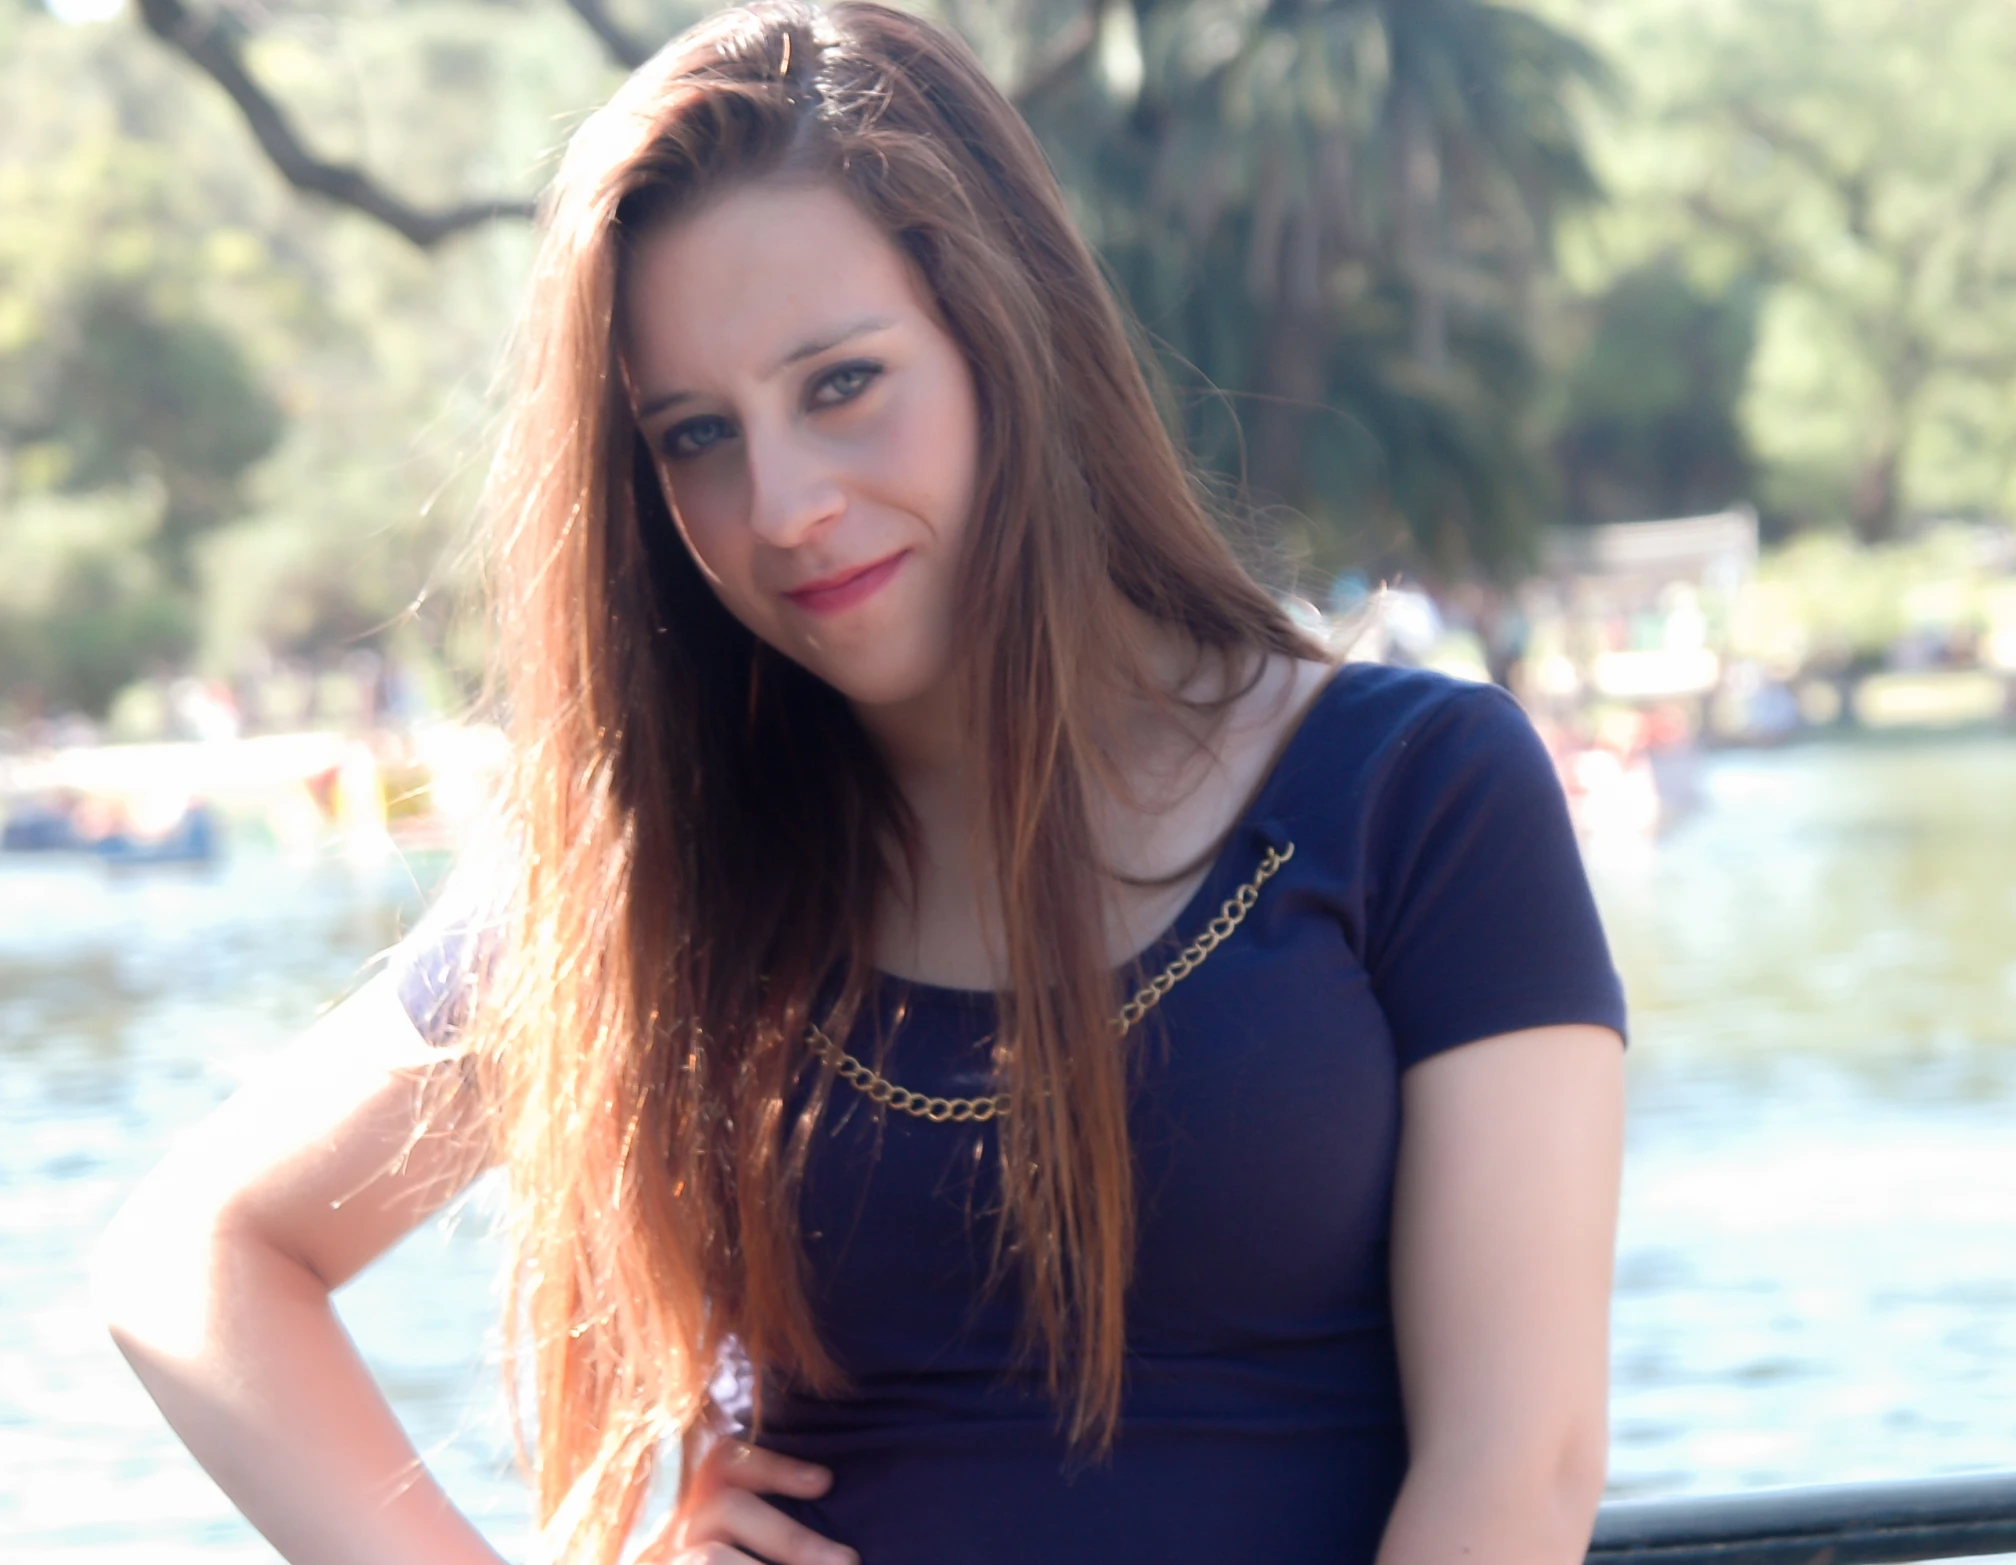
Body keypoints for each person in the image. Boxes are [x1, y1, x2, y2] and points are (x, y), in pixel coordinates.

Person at [93, 6, 1627, 1564]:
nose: (783, 508)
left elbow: (1520, 1469)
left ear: (1005, 331)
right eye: (694, 435)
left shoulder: (1418, 796)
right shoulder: (655, 870)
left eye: (839, 386)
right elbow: (198, 1260)